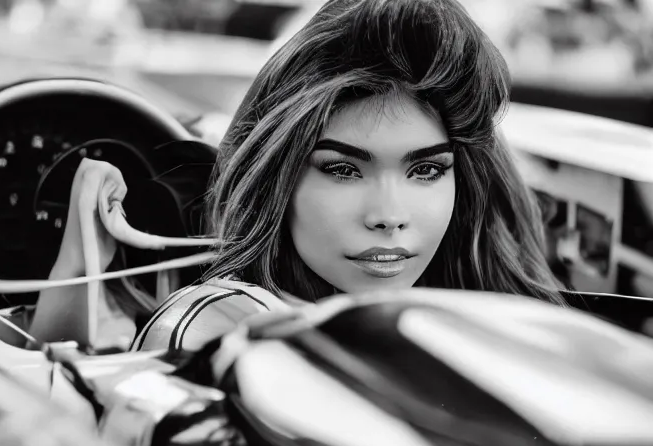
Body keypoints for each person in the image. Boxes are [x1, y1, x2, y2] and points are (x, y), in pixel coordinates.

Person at [35, 0, 567, 352]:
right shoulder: (220, 325)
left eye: (426, 169)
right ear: (278, 179)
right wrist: (77, 266)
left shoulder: (520, 329)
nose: (388, 218)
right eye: (342, 169)